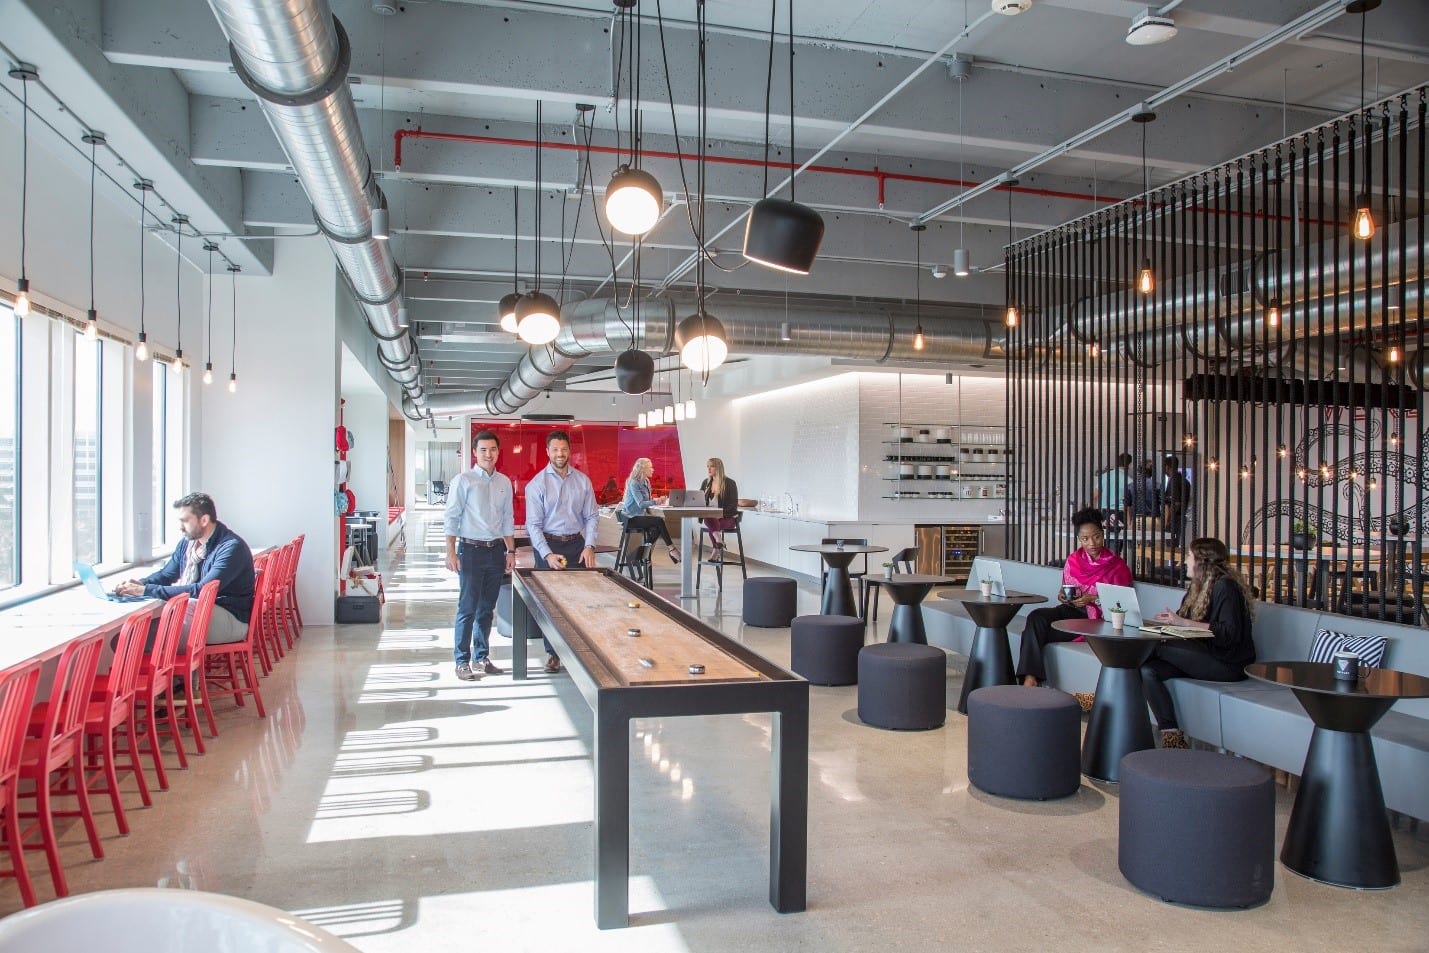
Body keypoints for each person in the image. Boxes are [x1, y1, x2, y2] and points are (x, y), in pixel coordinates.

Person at [1140, 537, 1256, 750]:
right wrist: (1171, 625)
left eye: (1189, 556)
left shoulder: (1226, 588)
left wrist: (1181, 623)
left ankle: (1107, 689)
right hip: (1205, 656)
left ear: (1202, 562)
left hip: (1228, 665)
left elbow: (1229, 633)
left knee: (1153, 647)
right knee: (1148, 670)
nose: (1184, 561)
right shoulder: (1197, 587)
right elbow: (1190, 626)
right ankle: (1171, 734)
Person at [116, 492, 254, 650]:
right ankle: (178, 673)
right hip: (201, 612)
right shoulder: (187, 544)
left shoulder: (231, 547)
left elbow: (202, 590)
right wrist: (139, 584)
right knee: (130, 637)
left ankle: (177, 673)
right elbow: (166, 575)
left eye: (185, 521)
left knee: (129, 640)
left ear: (204, 520)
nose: (180, 527)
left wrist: (146, 590)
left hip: (231, 618)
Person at [1016, 508, 1132, 688]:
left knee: (1034, 634)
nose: (1092, 543)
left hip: (1094, 619)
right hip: (1071, 610)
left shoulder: (1117, 566)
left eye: (1096, 537)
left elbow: (1122, 603)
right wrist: (1062, 594)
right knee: (1036, 617)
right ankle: (1030, 678)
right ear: (1079, 539)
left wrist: (1092, 599)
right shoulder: (1073, 560)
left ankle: (1030, 680)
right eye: (1085, 539)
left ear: (1103, 534)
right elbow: (1066, 586)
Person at [443, 429, 516, 682]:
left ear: (498, 452)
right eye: (483, 449)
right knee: (468, 608)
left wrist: (511, 550)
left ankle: (481, 658)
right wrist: (450, 551)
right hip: (471, 550)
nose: (488, 454)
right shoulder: (463, 481)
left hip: (496, 551)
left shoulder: (504, 482)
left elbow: (508, 518)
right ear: (475, 453)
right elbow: (451, 517)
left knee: (487, 608)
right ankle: (461, 660)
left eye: (493, 449)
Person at [525, 429, 598, 673]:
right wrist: (546, 554)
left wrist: (589, 546)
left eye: (564, 449)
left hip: (576, 545)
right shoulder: (537, 484)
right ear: (547, 452)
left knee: (579, 600)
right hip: (549, 545)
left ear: (570, 451)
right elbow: (533, 525)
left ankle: (580, 652)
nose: (560, 454)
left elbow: (591, 517)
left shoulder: (582, 481)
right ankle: (553, 654)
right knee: (551, 603)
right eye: (555, 449)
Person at [620, 457, 678, 563]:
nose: (653, 469)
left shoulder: (646, 481)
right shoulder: (634, 483)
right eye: (650, 467)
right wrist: (656, 501)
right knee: (659, 521)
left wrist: (659, 501)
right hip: (631, 518)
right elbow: (641, 504)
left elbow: (648, 500)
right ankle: (672, 549)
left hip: (640, 516)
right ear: (643, 469)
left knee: (657, 527)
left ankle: (642, 553)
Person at [698, 457, 740, 554]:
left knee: (712, 527)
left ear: (718, 468)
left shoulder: (730, 483)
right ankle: (718, 540)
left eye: (711, 466)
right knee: (709, 519)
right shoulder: (706, 483)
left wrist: (720, 514)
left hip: (727, 518)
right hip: (711, 519)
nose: (708, 469)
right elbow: (699, 500)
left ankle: (716, 548)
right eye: (707, 466)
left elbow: (733, 505)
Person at [1162, 454, 1193, 550]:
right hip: (1181, 518)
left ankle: (1172, 565)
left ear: (1167, 467)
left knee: (1171, 548)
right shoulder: (1185, 481)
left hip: (1174, 519)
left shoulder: (1173, 481)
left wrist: (1168, 519)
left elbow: (1175, 503)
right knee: (1176, 546)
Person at [1093, 453, 1132, 521]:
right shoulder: (1129, 481)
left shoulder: (1104, 476)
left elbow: (1095, 496)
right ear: (1129, 464)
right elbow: (1129, 503)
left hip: (1104, 512)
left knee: (1105, 531)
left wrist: (1094, 515)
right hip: (1120, 513)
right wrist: (1129, 521)